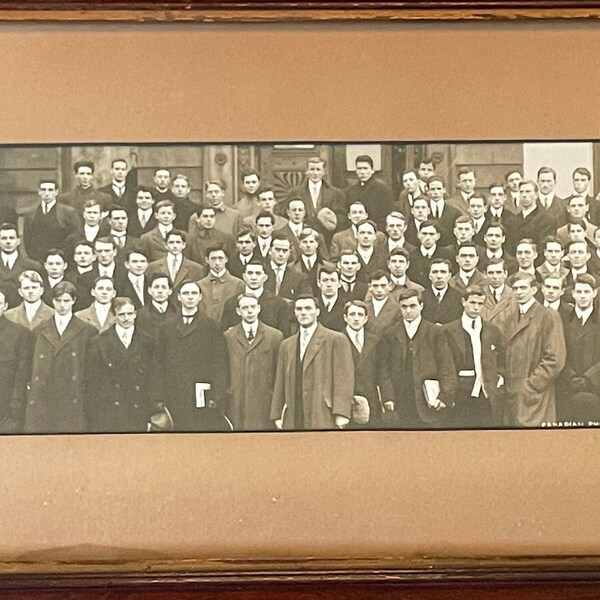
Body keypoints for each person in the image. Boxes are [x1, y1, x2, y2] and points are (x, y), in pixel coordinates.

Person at [151, 280, 229, 432]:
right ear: (179, 297)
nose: (190, 297)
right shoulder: (166, 328)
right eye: (186, 293)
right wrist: (157, 396)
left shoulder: (211, 327)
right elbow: (158, 363)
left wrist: (216, 395)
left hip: (201, 393)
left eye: (194, 293)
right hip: (173, 393)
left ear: (200, 297)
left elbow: (219, 363)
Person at [270, 294, 354, 430]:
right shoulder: (287, 345)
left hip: (322, 410)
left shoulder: (335, 339)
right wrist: (277, 414)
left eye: (308, 308)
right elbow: (280, 381)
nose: (303, 312)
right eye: (299, 309)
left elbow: (344, 379)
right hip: (294, 411)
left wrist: (341, 412)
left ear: (317, 312)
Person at [24, 281, 97, 433]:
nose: (62, 305)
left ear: (74, 301)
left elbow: (91, 370)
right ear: (52, 301)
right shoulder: (39, 330)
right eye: (58, 301)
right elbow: (31, 364)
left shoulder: (87, 331)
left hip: (73, 394)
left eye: (66, 301)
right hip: (45, 394)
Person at [380, 288, 456, 429]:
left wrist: (444, 396)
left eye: (412, 306)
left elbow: (446, 366)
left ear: (421, 306)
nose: (408, 311)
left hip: (428, 401)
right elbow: (384, 370)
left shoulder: (435, 332)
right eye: (404, 307)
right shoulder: (390, 334)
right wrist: (388, 397)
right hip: (401, 400)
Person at [502, 272, 566, 427]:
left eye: (523, 288)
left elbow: (555, 358)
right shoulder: (510, 318)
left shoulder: (548, 315)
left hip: (535, 397)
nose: (519, 292)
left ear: (534, 290)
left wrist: (531, 385)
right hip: (511, 394)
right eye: (515, 288)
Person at [85, 297, 156, 432]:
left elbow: (153, 376)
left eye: (130, 314)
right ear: (114, 315)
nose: (126, 318)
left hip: (138, 407)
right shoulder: (99, 342)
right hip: (110, 409)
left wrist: (150, 411)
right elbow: (93, 380)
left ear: (135, 314)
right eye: (121, 314)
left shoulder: (148, 341)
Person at [442, 285, 505, 428]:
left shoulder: (492, 330)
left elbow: (501, 357)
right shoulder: (448, 331)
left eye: (480, 304)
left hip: (486, 393)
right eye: (472, 303)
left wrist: (500, 376)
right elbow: (445, 364)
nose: (476, 307)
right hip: (460, 394)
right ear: (464, 302)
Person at [224, 293, 283, 431]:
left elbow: (278, 372)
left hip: (263, 400)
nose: (249, 311)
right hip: (237, 400)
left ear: (259, 308)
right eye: (245, 307)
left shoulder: (274, 336)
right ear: (238, 311)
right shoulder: (228, 337)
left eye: (252, 307)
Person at [557, 274, 600, 423]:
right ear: (573, 293)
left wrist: (589, 378)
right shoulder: (561, 319)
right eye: (579, 292)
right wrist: (571, 377)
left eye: (586, 292)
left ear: (594, 293)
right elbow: (557, 352)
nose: (582, 296)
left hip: (596, 389)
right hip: (567, 387)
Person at [221, 260, 291, 336]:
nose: (253, 277)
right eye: (250, 273)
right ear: (244, 276)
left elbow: (284, 336)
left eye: (258, 273)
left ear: (265, 277)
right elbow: (225, 334)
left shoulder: (279, 304)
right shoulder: (231, 303)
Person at [343, 299, 384, 428]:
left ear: (366, 318)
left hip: (371, 398)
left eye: (360, 315)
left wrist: (388, 398)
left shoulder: (376, 341)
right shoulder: (337, 340)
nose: (356, 318)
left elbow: (383, 372)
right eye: (352, 314)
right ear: (345, 317)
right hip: (346, 399)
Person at [0, 286, 33, 433]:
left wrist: (16, 405)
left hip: (7, 404)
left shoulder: (20, 333)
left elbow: (22, 373)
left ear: (5, 306)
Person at [284, 156, 346, 232]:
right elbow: (287, 213)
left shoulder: (335, 193)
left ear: (324, 172)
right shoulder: (295, 192)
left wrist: (330, 223)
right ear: (307, 171)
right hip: (303, 236)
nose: (315, 173)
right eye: (312, 169)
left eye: (318, 169)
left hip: (327, 236)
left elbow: (342, 217)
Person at [24, 179, 80, 262]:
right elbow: (27, 238)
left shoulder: (68, 212)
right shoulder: (31, 213)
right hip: (36, 260)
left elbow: (76, 236)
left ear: (56, 192)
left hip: (60, 260)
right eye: (43, 190)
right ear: (39, 192)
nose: (47, 193)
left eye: (50, 190)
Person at [0, 222, 43, 308]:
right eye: (4, 238)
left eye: (11, 238)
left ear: (18, 241)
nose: (8, 241)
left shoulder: (33, 266)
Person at [344, 154, 393, 230]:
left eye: (365, 168)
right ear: (356, 171)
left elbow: (387, 215)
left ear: (372, 170)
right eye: (359, 169)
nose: (362, 172)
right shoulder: (349, 191)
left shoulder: (383, 190)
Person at [198, 244, 244, 322]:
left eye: (220, 258)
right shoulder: (199, 285)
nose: (217, 263)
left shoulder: (239, 284)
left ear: (226, 259)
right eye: (213, 259)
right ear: (207, 260)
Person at [509, 180, 555, 252]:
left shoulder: (546, 220)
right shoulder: (512, 220)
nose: (524, 195)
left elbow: (543, 247)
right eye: (521, 192)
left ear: (536, 194)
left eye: (528, 192)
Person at [264, 234, 311, 303]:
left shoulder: (300, 277)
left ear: (289, 253)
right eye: (277, 250)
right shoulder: (260, 273)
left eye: (285, 251)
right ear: (270, 251)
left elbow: (306, 301)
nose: (281, 254)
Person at [421, 258, 463, 325]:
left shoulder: (459, 297)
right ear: (429, 276)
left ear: (449, 276)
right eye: (435, 272)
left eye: (443, 272)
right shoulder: (421, 297)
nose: (439, 276)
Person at [364, 270, 401, 336]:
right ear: (369, 287)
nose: (379, 290)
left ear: (390, 286)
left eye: (383, 286)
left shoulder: (397, 309)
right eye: (375, 286)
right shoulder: (363, 307)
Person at [426, 176, 461, 246]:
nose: (436, 192)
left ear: (444, 190)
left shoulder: (455, 213)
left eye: (439, 189)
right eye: (432, 189)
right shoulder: (423, 210)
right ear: (428, 191)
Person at [316, 265, 346, 331]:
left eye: (333, 280)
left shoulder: (346, 306)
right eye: (325, 280)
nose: (329, 284)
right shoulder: (313, 305)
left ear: (340, 283)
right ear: (318, 283)